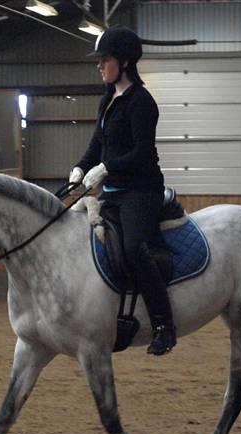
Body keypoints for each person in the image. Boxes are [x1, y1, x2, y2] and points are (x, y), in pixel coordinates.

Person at [69, 26, 177, 356]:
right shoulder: (108, 100)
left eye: (105, 60)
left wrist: (108, 168)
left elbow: (143, 152)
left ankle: (163, 325)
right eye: (99, 61)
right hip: (114, 190)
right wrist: (81, 168)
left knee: (132, 248)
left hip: (141, 190)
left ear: (125, 62)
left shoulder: (142, 102)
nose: (99, 66)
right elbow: (97, 145)